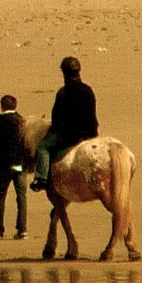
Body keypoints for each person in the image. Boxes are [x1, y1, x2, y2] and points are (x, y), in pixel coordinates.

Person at [30, 56, 98, 191]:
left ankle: (41, 178)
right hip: (91, 133)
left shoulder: (64, 92)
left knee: (43, 146)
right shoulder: (88, 90)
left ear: (64, 73)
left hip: (71, 136)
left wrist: (55, 127)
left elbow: (56, 119)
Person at [0, 95, 29, 239]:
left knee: (0, 196)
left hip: (5, 165)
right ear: (15, 106)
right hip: (20, 165)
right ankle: (22, 229)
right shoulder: (22, 121)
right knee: (21, 197)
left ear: (2, 106)